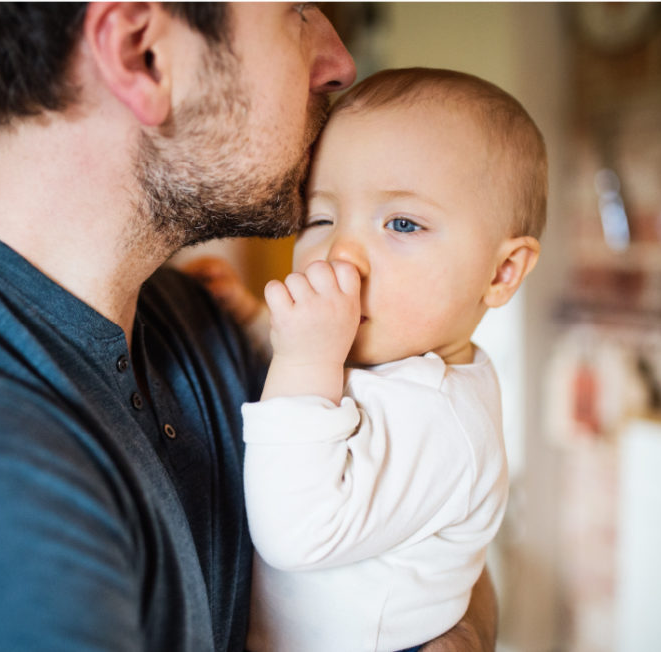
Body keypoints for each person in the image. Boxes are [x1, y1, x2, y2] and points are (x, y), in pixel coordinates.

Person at [0, 4, 495, 649]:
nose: (335, 61)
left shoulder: (210, 327)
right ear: (144, 54)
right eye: (297, 13)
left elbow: (441, 553)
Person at [190, 67, 545, 652]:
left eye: (402, 223)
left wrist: (304, 355)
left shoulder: (438, 421)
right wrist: (254, 321)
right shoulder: (399, 363)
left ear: (501, 272)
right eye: (321, 218)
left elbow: (294, 533)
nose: (342, 253)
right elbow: (329, 393)